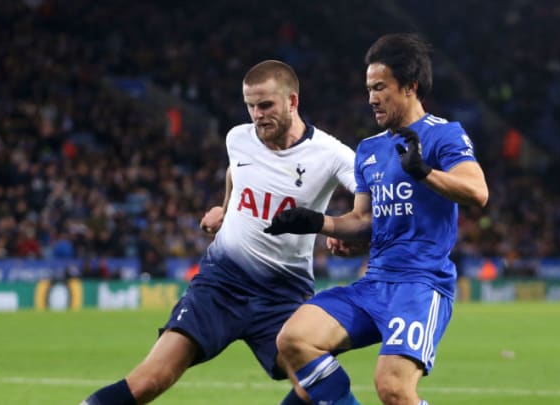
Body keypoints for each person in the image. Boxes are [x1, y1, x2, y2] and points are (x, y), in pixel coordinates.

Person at [81, 59, 357, 405]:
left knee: (318, 385)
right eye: (250, 106)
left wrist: (342, 227)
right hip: (221, 282)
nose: (257, 115)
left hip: (283, 293)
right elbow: (236, 171)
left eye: (266, 105)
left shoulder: (332, 155)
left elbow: (371, 202)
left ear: (292, 101)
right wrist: (226, 209)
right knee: (149, 379)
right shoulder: (238, 138)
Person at [264, 33, 489, 405]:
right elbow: (364, 219)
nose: (371, 97)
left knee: (394, 390)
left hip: (420, 283)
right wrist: (317, 222)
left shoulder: (444, 135)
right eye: (369, 88)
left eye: (380, 87)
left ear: (410, 87)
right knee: (294, 339)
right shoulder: (369, 150)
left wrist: (424, 172)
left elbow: (477, 191)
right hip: (374, 282)